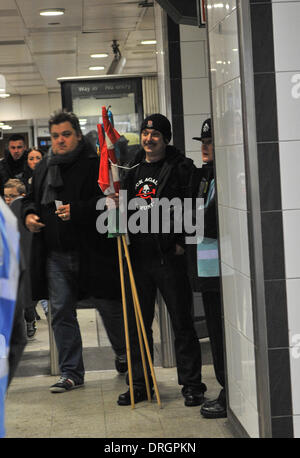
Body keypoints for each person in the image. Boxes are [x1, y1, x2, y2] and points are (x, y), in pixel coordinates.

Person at [22, 110, 126, 393]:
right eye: (55, 136)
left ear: (78, 136)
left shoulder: (94, 164)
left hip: (92, 250)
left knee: (109, 307)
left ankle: (124, 355)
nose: (60, 141)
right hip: (55, 253)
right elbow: (31, 199)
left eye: (66, 135)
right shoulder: (44, 167)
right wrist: (30, 215)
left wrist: (77, 211)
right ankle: (71, 372)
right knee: (61, 312)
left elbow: (110, 201)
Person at [109, 113, 207, 407]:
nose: (148, 139)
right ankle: (141, 384)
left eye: (155, 135)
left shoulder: (181, 168)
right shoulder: (132, 168)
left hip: (169, 258)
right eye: (145, 134)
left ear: (165, 139)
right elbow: (125, 207)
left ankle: (192, 385)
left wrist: (181, 243)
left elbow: (195, 208)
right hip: (138, 258)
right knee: (138, 325)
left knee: (182, 323)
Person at [192, 118, 227, 419]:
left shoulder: (229, 176)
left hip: (225, 271)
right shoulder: (206, 177)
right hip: (208, 270)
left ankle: (230, 389)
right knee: (216, 333)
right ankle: (225, 387)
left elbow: (210, 223)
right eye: (203, 142)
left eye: (210, 142)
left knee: (226, 333)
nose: (204, 147)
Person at [4, 179, 37, 339]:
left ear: (22, 196)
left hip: (25, 262)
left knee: (27, 300)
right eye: (6, 196)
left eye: (12, 196)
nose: (8, 200)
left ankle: (30, 321)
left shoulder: (27, 214)